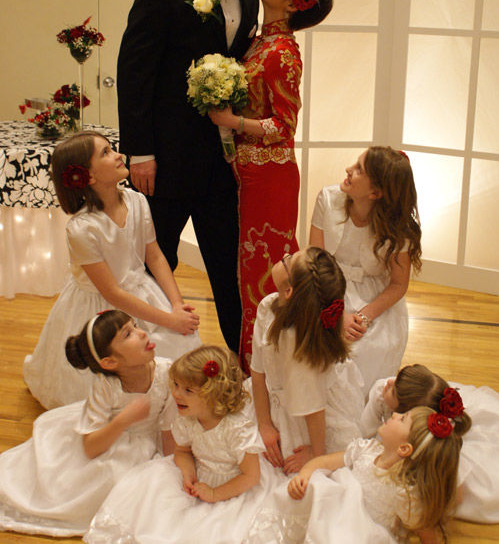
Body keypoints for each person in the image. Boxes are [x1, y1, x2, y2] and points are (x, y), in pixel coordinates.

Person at [117, 0, 289, 354]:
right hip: (164, 162)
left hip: (220, 165)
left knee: (230, 271)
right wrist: (140, 153)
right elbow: (135, 72)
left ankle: (245, 364)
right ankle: (148, 360)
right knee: (153, 266)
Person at [209, 0, 333, 373]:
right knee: (247, 272)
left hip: (270, 177)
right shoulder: (260, 41)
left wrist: (232, 122)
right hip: (249, 172)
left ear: (296, 3)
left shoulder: (283, 53)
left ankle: (265, 370)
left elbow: (284, 126)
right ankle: (256, 366)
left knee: (264, 274)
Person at [23, 130, 200, 409]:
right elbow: (113, 293)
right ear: (88, 176)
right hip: (101, 308)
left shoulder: (137, 201)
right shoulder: (82, 228)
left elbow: (154, 257)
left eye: (112, 148)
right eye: (105, 152)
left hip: (141, 293)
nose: (118, 154)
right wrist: (169, 320)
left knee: (177, 344)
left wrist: (176, 305)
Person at [85, 345, 286, 544]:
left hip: (235, 485)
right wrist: (188, 472)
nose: (176, 394)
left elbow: (251, 476)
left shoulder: (237, 429)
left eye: (188, 390)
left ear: (213, 394)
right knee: (153, 496)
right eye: (176, 385)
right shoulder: (187, 420)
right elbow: (182, 451)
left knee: (217, 531)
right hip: (200, 476)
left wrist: (215, 494)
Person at [0, 310, 175, 537]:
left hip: (151, 444)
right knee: (108, 480)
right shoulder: (106, 386)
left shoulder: (167, 372)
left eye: (135, 326)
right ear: (109, 362)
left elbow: (168, 427)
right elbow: (91, 447)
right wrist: (124, 420)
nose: (142, 333)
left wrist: (171, 468)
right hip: (109, 441)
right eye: (128, 334)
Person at [310, 146, 422, 394]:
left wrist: (363, 317)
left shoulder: (399, 227)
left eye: (359, 169)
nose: (348, 169)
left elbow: (398, 284)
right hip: (326, 287)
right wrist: (336, 314)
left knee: (371, 347)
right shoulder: (328, 198)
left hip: (374, 299)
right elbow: (314, 261)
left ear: (375, 192)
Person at [250, 246, 365, 476]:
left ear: (289, 291)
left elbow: (313, 407)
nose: (284, 256)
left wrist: (316, 453)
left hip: (314, 417)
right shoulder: (267, 306)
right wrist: (264, 423)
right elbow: (258, 370)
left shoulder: (301, 348)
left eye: (289, 260)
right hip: (276, 396)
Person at [281, 405, 469, 544]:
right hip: (336, 513)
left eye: (402, 419)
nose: (395, 414)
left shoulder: (405, 493)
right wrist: (304, 474)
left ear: (404, 448)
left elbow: (425, 533)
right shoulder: (366, 449)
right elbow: (326, 462)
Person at [361, 364, 499, 524]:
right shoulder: (383, 389)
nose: (389, 382)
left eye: (393, 391)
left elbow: (454, 499)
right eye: (397, 377)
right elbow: (365, 432)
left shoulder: (438, 444)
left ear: (407, 414)